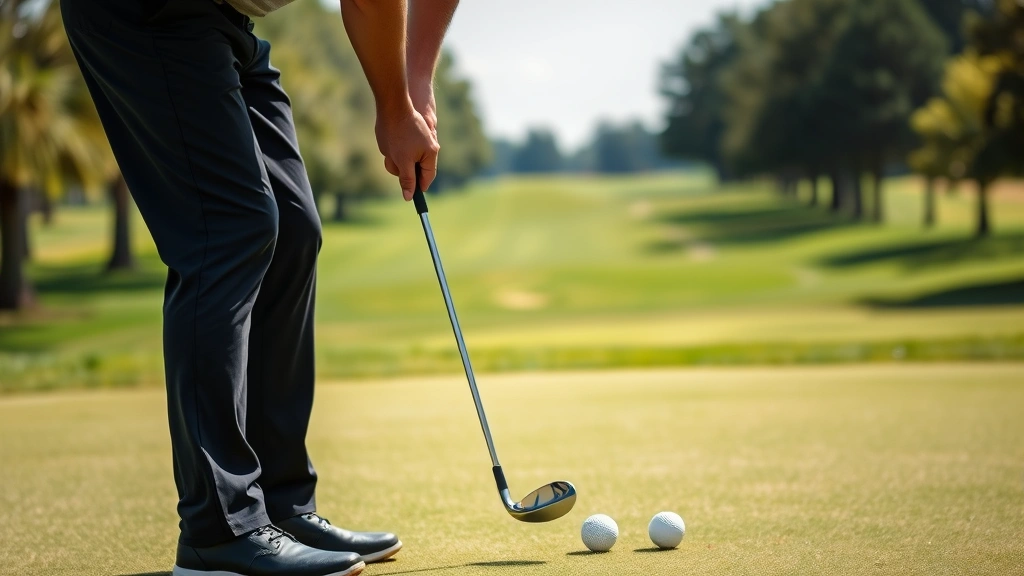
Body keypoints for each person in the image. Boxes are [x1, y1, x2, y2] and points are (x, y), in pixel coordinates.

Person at [60, 0, 458, 574]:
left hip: (221, 20)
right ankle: (219, 529)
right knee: (228, 230)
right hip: (142, 11)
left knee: (293, 228)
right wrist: (392, 106)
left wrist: (414, 85)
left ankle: (280, 506)